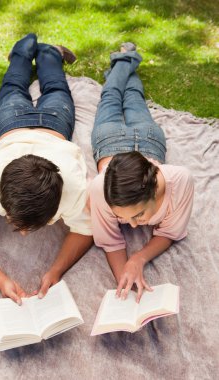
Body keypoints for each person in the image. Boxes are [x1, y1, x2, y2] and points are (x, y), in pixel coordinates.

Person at [0, 34, 93, 305]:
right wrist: (1, 280)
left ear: (60, 198)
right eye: (15, 224)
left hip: (51, 126)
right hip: (17, 123)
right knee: (22, 87)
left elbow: (86, 230)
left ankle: (46, 51)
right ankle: (25, 50)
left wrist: (56, 270)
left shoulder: (76, 186)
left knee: (52, 88)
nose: (24, 235)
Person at [89, 42, 194, 302]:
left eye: (138, 215)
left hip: (145, 140)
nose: (134, 226)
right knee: (111, 96)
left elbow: (169, 232)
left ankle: (123, 61)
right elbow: (111, 241)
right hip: (112, 139)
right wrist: (123, 277)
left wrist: (138, 258)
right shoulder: (99, 189)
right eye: (126, 219)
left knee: (133, 98)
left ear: (153, 189)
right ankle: (125, 59)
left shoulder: (180, 180)